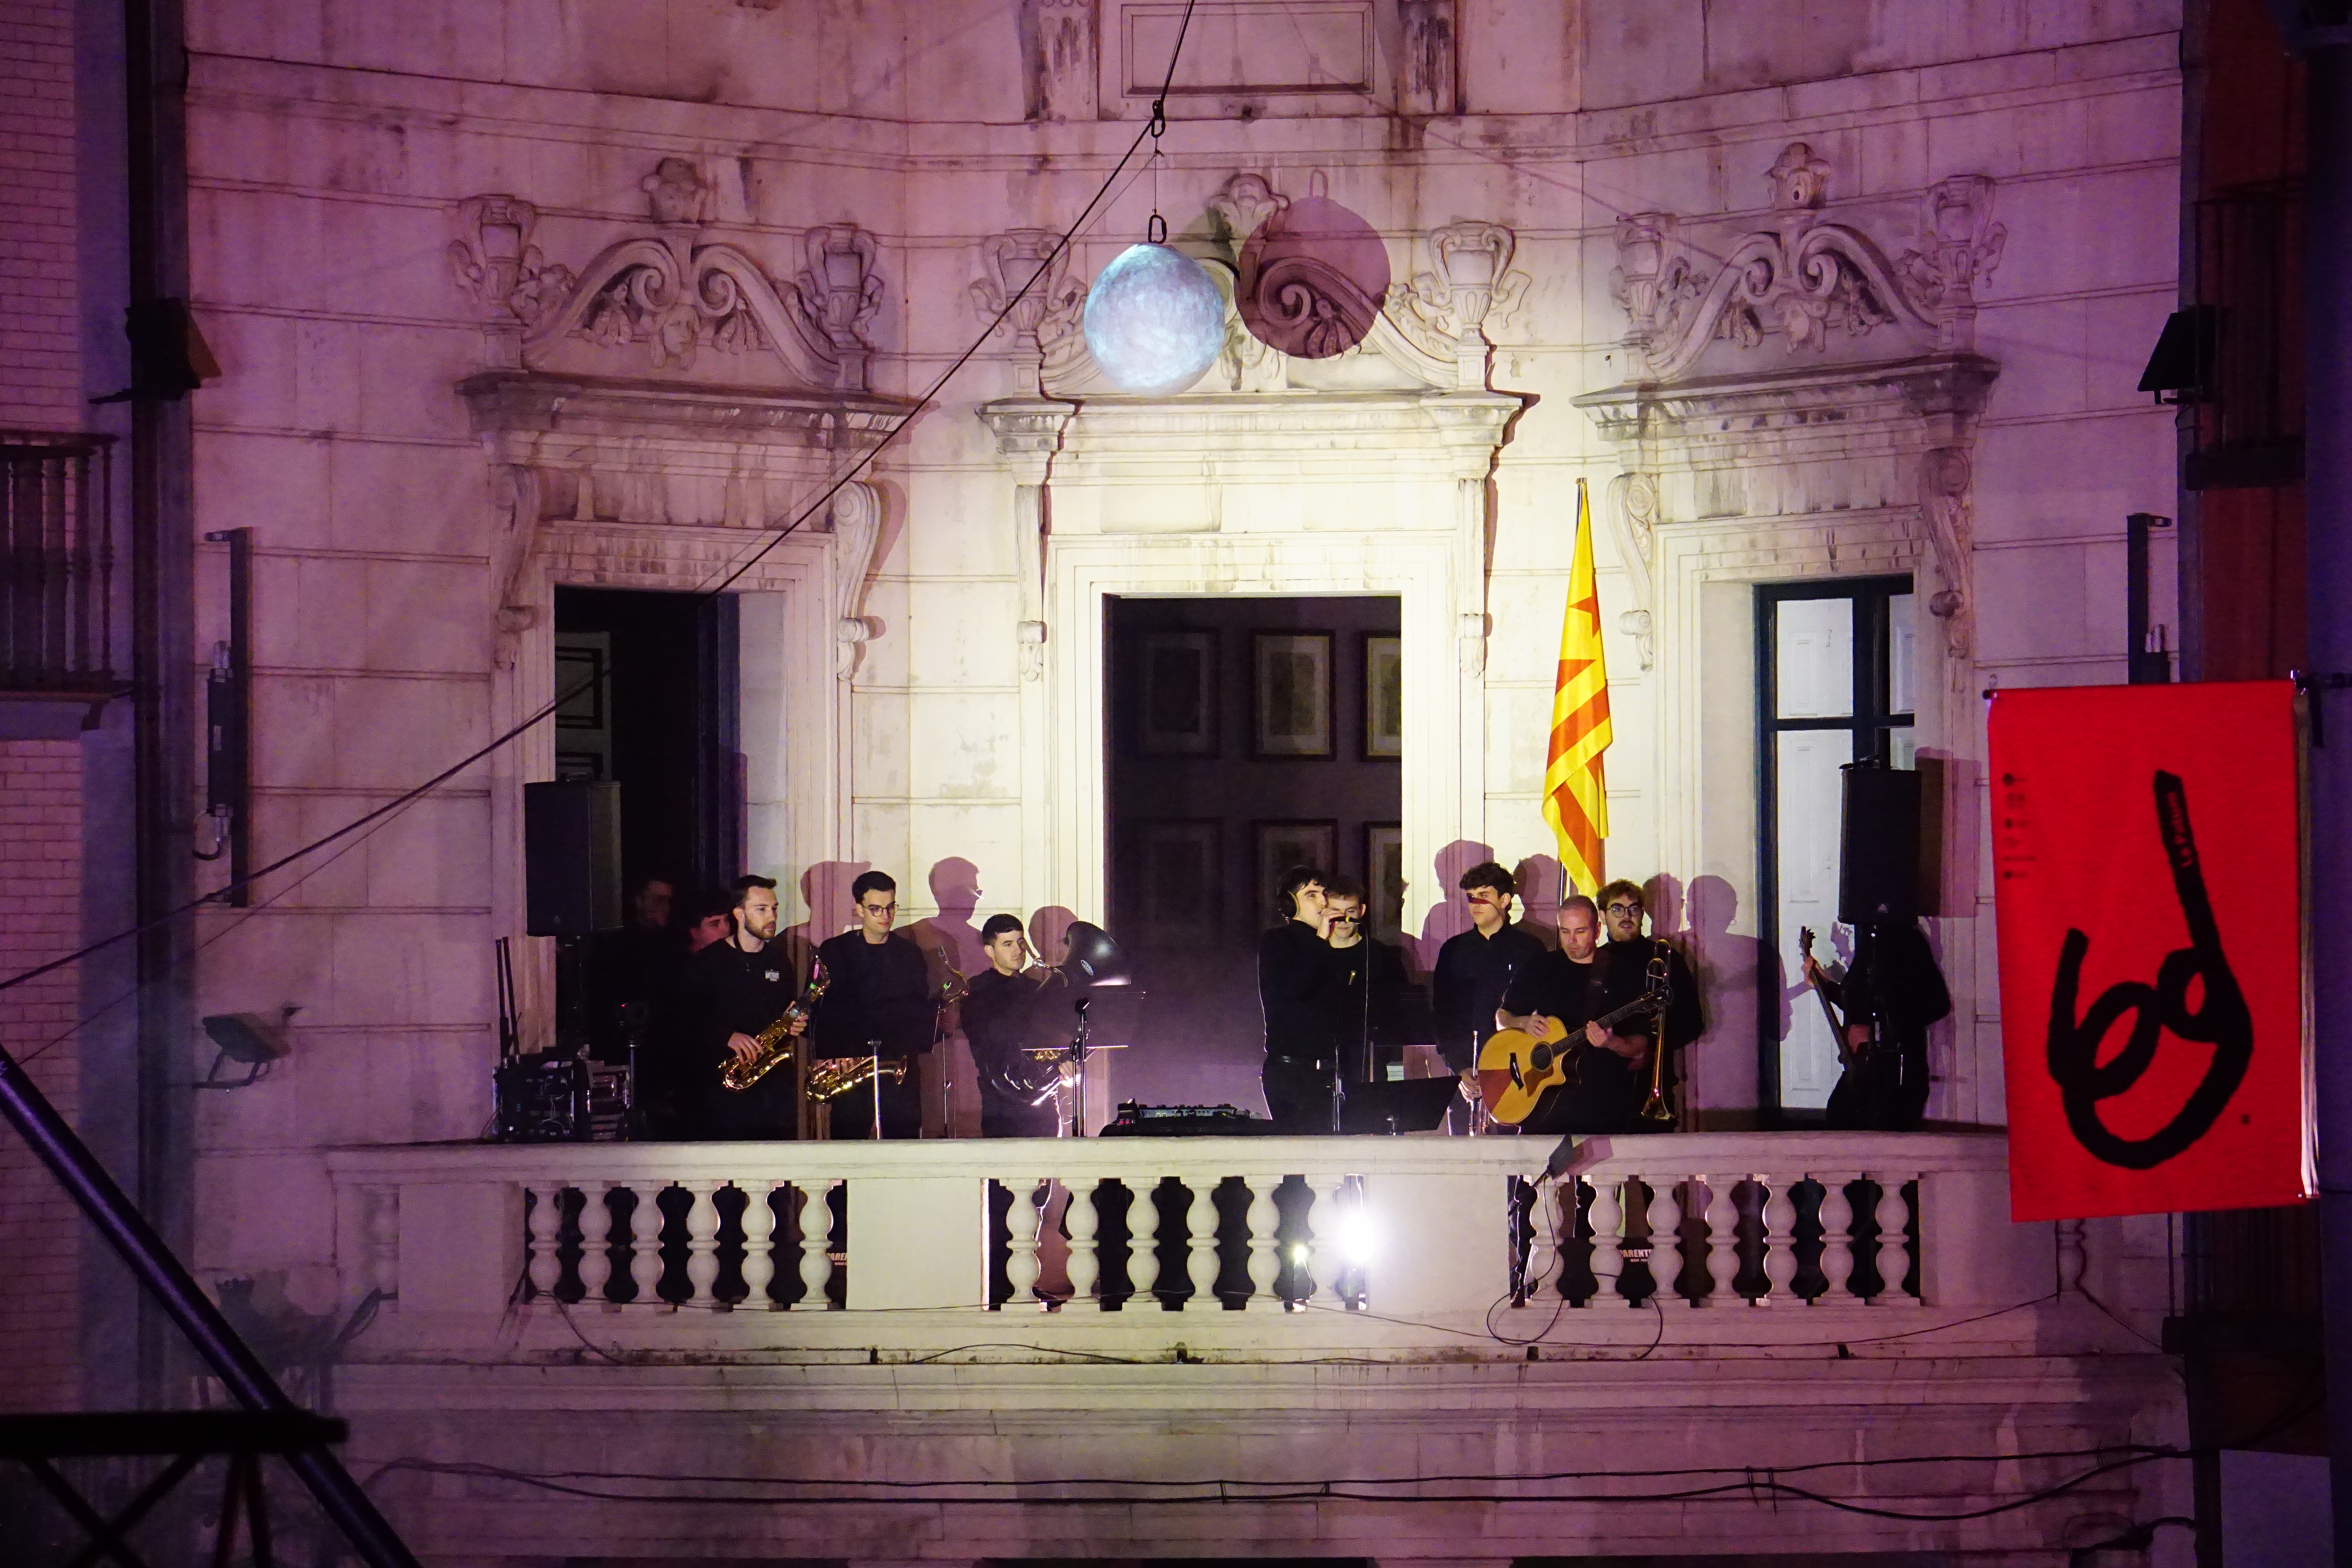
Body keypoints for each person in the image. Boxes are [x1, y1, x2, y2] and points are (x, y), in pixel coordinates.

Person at [1494, 896, 1650, 1134]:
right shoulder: (1539, 967)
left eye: (1581, 932)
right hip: (1543, 1103)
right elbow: (1502, 1018)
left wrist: (1612, 1042)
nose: (1572, 941)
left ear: (1598, 930)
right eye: (1565, 932)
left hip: (1601, 1104)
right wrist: (1522, 1022)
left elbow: (1640, 1048)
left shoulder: (1624, 974)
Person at [810, 870, 936, 1140]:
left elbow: (918, 1009)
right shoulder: (833, 951)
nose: (886, 916)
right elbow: (818, 1005)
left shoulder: (910, 954)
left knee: (903, 1141)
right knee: (848, 1143)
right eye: (876, 909)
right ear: (859, 910)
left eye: (891, 907)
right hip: (850, 1065)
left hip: (896, 1066)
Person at [681, 875, 805, 1140]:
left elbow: (786, 1013)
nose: (771, 916)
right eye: (761, 909)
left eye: (774, 909)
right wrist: (727, 1036)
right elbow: (684, 1021)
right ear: (738, 913)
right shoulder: (708, 963)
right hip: (724, 1094)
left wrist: (795, 1024)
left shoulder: (779, 960)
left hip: (774, 1093)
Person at [1806, 916, 1950, 1131]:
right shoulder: (1869, 943)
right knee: (1839, 1117)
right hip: (1862, 1072)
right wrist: (1824, 985)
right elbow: (1861, 1006)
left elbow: (1937, 1005)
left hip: (1895, 1075)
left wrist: (1877, 1033)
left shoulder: (1907, 941)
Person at [1431, 862, 1547, 1123]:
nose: (1475, 904)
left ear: (1504, 900)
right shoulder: (1453, 950)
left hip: (1517, 1068)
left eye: (1484, 896)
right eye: (1471, 897)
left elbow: (1542, 1008)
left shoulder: (1530, 949)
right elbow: (1442, 1015)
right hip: (1466, 1071)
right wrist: (1458, 1067)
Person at [1595, 878, 1705, 1121]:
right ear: (1602, 916)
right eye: (1617, 909)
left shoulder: (1666, 957)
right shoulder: (1593, 961)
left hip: (1652, 1074)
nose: (1627, 916)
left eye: (1634, 909)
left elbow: (1693, 1022)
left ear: (1642, 914)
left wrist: (1650, 1050)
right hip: (1599, 1079)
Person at [963, 913, 1062, 1138]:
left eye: (1020, 942)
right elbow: (989, 1045)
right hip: (1001, 1105)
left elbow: (1054, 1039)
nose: (1018, 950)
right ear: (990, 951)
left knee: (1046, 1168)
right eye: (1008, 944)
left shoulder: (1039, 989)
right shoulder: (976, 991)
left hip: (1044, 1101)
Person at [1258, 865, 1339, 1132]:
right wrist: (1321, 942)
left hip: (1331, 1072)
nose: (1323, 902)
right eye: (1312, 895)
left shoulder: (1328, 946)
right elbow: (1296, 990)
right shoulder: (1277, 942)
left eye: (1324, 894)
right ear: (1289, 904)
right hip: (1292, 1073)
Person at [1322, 874, 1406, 1087]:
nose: (1343, 921)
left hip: (1372, 1062)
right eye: (1335, 913)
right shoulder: (1314, 954)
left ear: (1361, 912)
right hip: (1323, 1061)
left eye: (1350, 912)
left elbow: (1402, 1012)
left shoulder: (1383, 956)